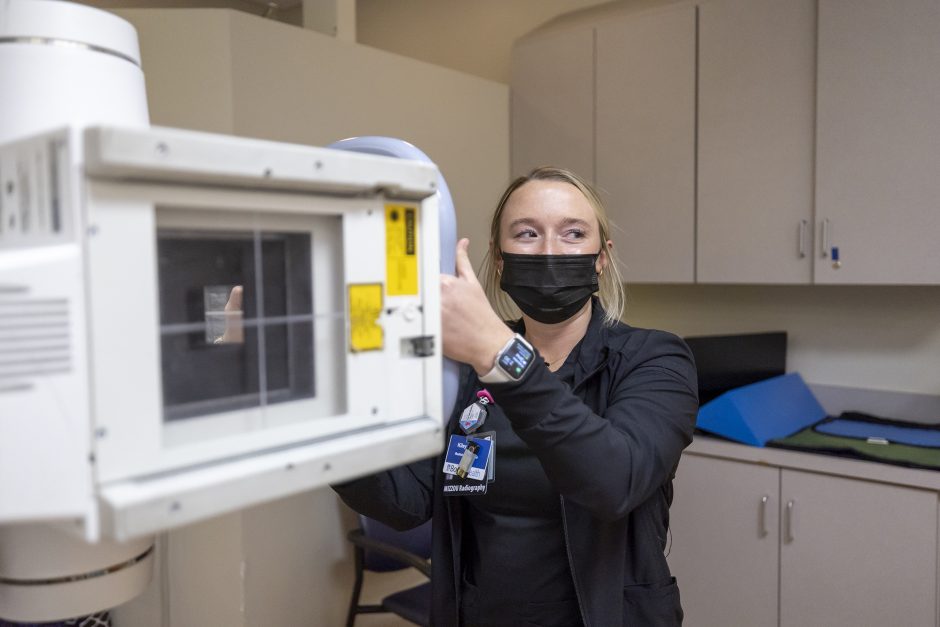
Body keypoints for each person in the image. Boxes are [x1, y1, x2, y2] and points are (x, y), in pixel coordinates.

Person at [334, 166, 698, 626]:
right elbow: (407, 500)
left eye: (573, 233)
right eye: (527, 233)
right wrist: (325, 409)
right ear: (499, 258)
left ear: (601, 258)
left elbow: (615, 480)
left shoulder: (653, 358)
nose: (548, 250)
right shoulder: (465, 369)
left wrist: (499, 355)